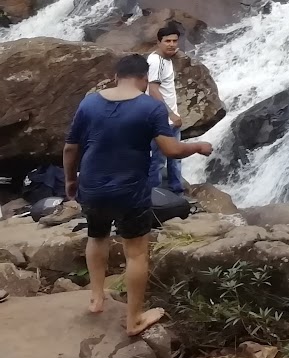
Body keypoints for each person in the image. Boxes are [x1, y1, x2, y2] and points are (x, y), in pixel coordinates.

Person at [63, 54, 214, 336]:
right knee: (136, 252)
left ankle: (96, 299)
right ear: (145, 79)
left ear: (115, 76)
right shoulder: (150, 106)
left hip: (92, 186)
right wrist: (198, 146)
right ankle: (134, 320)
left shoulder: (90, 102)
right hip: (130, 190)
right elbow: (171, 150)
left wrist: (71, 180)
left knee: (97, 236)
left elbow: (71, 147)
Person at [146, 22, 186, 194]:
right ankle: (154, 195)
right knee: (158, 159)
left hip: (168, 119)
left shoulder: (165, 58)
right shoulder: (157, 62)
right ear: (158, 42)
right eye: (167, 41)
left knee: (175, 156)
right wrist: (170, 115)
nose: (171, 44)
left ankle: (176, 190)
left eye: (174, 41)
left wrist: (174, 52)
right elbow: (153, 89)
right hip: (163, 119)